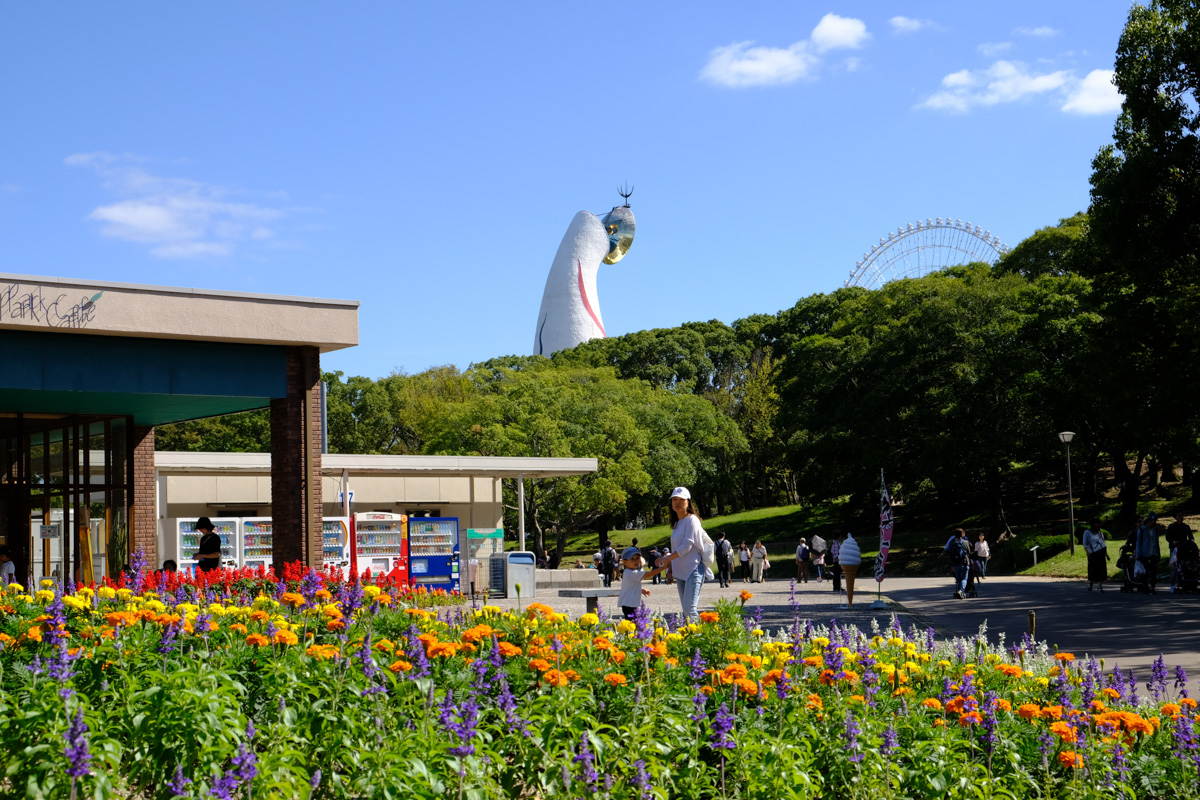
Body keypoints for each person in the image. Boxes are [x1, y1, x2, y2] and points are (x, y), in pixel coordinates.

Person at [655, 486, 707, 622]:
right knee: (686, 612)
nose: (677, 502)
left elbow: (686, 546)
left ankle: (708, 636)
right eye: (674, 499)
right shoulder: (677, 524)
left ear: (688, 502)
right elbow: (675, 548)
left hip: (693, 569)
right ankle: (694, 639)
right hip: (681, 572)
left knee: (690, 610)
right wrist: (670, 571)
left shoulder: (692, 520)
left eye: (681, 499)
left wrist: (665, 559)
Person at [617, 546, 662, 619]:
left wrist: (640, 590)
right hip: (629, 604)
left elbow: (629, 587)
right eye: (632, 559)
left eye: (637, 558)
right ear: (625, 562)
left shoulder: (628, 572)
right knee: (633, 625)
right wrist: (664, 567)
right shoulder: (632, 573)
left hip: (628, 604)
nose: (636, 561)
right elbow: (650, 573)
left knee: (634, 624)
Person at [1135, 513, 1161, 594]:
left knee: (1153, 571)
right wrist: (1138, 554)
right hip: (1144, 554)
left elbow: (1156, 543)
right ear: (1149, 521)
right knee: (1145, 571)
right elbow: (1138, 543)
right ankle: (1145, 585)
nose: (1154, 523)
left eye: (1155, 521)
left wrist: (1158, 553)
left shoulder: (1155, 530)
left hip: (1153, 553)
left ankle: (1153, 587)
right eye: (1153, 521)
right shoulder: (1142, 530)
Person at [1165, 512, 1191, 590]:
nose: (1181, 517)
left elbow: (1191, 537)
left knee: (1184, 565)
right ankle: (1172, 585)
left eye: (1182, 515)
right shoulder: (1171, 526)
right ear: (1176, 517)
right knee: (1174, 566)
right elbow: (1167, 537)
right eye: (1179, 516)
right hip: (1174, 548)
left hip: (1184, 548)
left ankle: (1183, 583)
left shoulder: (1186, 527)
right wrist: (1173, 542)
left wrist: (1189, 543)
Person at [1082, 518, 1108, 592]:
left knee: (1102, 570)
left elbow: (1103, 543)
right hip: (1092, 554)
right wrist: (1087, 551)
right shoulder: (1087, 532)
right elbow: (1085, 543)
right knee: (1092, 569)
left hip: (1100, 553)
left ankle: (1100, 586)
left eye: (1099, 523)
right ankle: (1091, 582)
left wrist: (1106, 553)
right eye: (1097, 523)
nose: (1098, 525)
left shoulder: (1100, 533)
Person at [944, 528, 970, 599]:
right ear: (962, 534)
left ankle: (959, 591)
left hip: (955, 563)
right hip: (964, 563)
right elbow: (969, 552)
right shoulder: (965, 542)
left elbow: (949, 553)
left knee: (958, 579)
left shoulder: (952, 543)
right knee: (964, 578)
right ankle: (961, 591)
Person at [839, 532, 862, 607]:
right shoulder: (852, 544)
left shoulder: (845, 544)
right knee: (850, 582)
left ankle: (850, 602)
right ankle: (850, 602)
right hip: (853, 560)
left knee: (849, 580)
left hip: (847, 560)